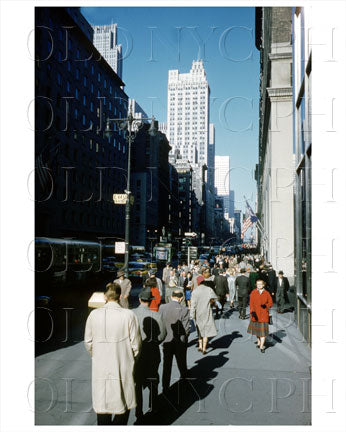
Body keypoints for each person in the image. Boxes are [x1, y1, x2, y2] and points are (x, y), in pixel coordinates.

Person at [84, 283, 142, 425]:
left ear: (105, 296)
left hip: (101, 365)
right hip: (122, 363)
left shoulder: (94, 314)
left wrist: (96, 355)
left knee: (102, 403)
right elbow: (136, 345)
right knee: (122, 401)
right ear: (120, 296)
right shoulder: (129, 315)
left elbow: (88, 342)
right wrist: (131, 359)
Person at [133, 289, 166, 422]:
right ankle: (153, 406)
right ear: (150, 300)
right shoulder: (156, 315)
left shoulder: (131, 314)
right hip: (152, 352)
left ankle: (138, 410)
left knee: (137, 383)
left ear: (140, 299)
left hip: (136, 354)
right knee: (153, 380)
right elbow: (162, 335)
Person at [160, 290, 190, 393]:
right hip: (179, 342)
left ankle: (165, 387)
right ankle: (184, 383)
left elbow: (160, 325)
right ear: (181, 298)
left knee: (166, 365)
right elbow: (186, 329)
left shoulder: (162, 307)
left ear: (172, 296)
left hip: (166, 341)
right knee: (182, 364)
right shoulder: (184, 309)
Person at [190, 275, 218, 354]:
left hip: (198, 312)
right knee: (206, 330)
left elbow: (193, 305)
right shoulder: (209, 289)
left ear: (198, 283)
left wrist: (191, 315)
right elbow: (215, 298)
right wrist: (211, 302)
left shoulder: (195, 291)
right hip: (207, 311)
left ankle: (200, 346)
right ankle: (204, 348)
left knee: (199, 328)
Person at [247, 279, 273, 353]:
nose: (259, 286)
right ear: (256, 285)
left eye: (260, 284)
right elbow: (251, 303)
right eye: (258, 284)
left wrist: (266, 305)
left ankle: (261, 346)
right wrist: (252, 312)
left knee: (263, 333)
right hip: (255, 315)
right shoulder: (253, 292)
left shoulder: (266, 293)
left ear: (263, 285)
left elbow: (271, 303)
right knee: (257, 331)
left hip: (264, 315)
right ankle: (258, 342)